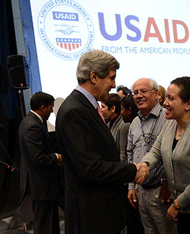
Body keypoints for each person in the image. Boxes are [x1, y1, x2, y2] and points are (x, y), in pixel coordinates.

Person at [55, 50, 149, 234]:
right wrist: (132, 170)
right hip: (91, 218)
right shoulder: (75, 111)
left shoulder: (84, 106)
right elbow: (90, 168)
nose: (114, 85)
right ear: (94, 77)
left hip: (100, 214)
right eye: (111, 78)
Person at [139, 77, 190, 234]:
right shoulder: (171, 123)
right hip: (182, 210)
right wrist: (145, 165)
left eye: (171, 98)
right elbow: (155, 152)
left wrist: (177, 203)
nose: (164, 103)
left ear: (188, 104)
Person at [127, 78, 176, 234]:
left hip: (162, 190)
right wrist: (131, 186)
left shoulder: (168, 118)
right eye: (135, 93)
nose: (138, 96)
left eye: (143, 91)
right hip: (141, 191)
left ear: (157, 94)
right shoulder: (134, 122)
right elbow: (130, 155)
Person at [18, 91, 63, 234]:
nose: (51, 111)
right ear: (42, 107)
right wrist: (56, 157)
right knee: (45, 224)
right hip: (42, 185)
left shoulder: (30, 121)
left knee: (47, 221)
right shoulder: (32, 126)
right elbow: (38, 158)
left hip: (41, 185)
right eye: (50, 107)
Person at [101, 93, 129, 164]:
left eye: (103, 107)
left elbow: (123, 156)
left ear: (113, 108)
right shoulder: (108, 125)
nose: (101, 110)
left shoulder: (124, 125)